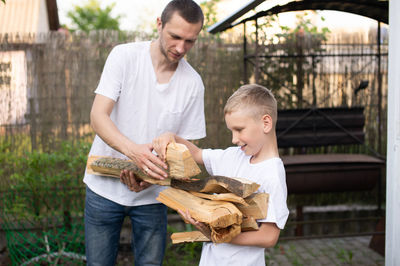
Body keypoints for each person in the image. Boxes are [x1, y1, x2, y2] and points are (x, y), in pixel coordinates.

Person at [84, 1, 205, 265]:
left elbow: (186, 150)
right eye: (175, 37)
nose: (181, 48)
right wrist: (134, 153)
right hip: (103, 189)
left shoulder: (193, 83)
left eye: (190, 41)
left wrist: (151, 177)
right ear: (159, 24)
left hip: (153, 197)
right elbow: (98, 116)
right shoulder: (124, 56)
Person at [153, 84, 289, 266]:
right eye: (231, 131)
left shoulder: (272, 174)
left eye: (239, 130)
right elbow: (197, 154)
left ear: (266, 123)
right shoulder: (233, 155)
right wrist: (171, 137)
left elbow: (269, 236)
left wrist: (219, 236)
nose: (234, 139)